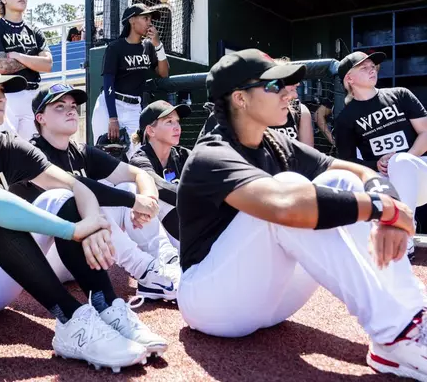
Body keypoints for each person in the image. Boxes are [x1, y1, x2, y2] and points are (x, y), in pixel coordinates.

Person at [177, 48, 427, 380]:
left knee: (342, 181)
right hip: (211, 303)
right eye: (274, 86)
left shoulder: (276, 142)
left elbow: (361, 173)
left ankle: (409, 323)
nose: (290, 92)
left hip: (274, 299)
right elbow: (285, 205)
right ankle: (395, 331)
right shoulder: (210, 154)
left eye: (289, 85)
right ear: (239, 98)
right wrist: (382, 208)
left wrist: (387, 207)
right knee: (291, 188)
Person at [0, 57, 167, 372]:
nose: (1, 97)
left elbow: (76, 186)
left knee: (59, 195)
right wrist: (72, 230)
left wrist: (93, 224)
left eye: (2, 89)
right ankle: (74, 319)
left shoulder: (4, 144)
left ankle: (106, 306)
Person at [10, 84, 180, 301]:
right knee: (80, 201)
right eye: (60, 106)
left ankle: (167, 262)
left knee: (128, 187)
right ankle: (145, 270)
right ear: (40, 118)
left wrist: (146, 200)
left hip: (81, 256)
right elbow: (77, 186)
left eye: (73, 105)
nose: (71, 110)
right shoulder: (31, 153)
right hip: (43, 257)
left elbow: (139, 175)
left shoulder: (80, 151)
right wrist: (134, 202)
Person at [334, 51, 427, 257]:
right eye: (363, 67)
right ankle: (403, 241)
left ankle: (404, 231)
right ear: (349, 78)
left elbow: (425, 132)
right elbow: (348, 162)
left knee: (401, 161)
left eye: (372, 66)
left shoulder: (400, 95)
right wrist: (376, 164)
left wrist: (405, 158)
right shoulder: (345, 120)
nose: (372, 70)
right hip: (386, 186)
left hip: (420, 174)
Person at [91, 3, 170, 160]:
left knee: (137, 155)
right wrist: (112, 118)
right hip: (111, 105)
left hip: (134, 108)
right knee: (103, 156)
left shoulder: (148, 46)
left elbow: (164, 73)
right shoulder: (115, 47)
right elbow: (108, 84)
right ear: (132, 20)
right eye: (145, 18)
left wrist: (158, 46)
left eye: (150, 19)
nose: (150, 22)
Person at [0, 0, 51, 141]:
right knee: (5, 148)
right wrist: (34, 61)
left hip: (34, 95)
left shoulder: (34, 31)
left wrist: (18, 56)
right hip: (7, 95)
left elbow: (48, 64)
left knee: (34, 151)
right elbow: (0, 65)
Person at [129, 100, 190, 247]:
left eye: (177, 121)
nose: (177, 127)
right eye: (169, 122)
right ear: (151, 130)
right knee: (154, 199)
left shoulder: (183, 155)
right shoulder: (139, 159)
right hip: (148, 236)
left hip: (182, 228)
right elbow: (158, 185)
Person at [269, 57, 314, 147]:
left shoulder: (300, 111)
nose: (297, 83)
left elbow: (308, 154)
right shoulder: (255, 112)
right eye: (291, 79)